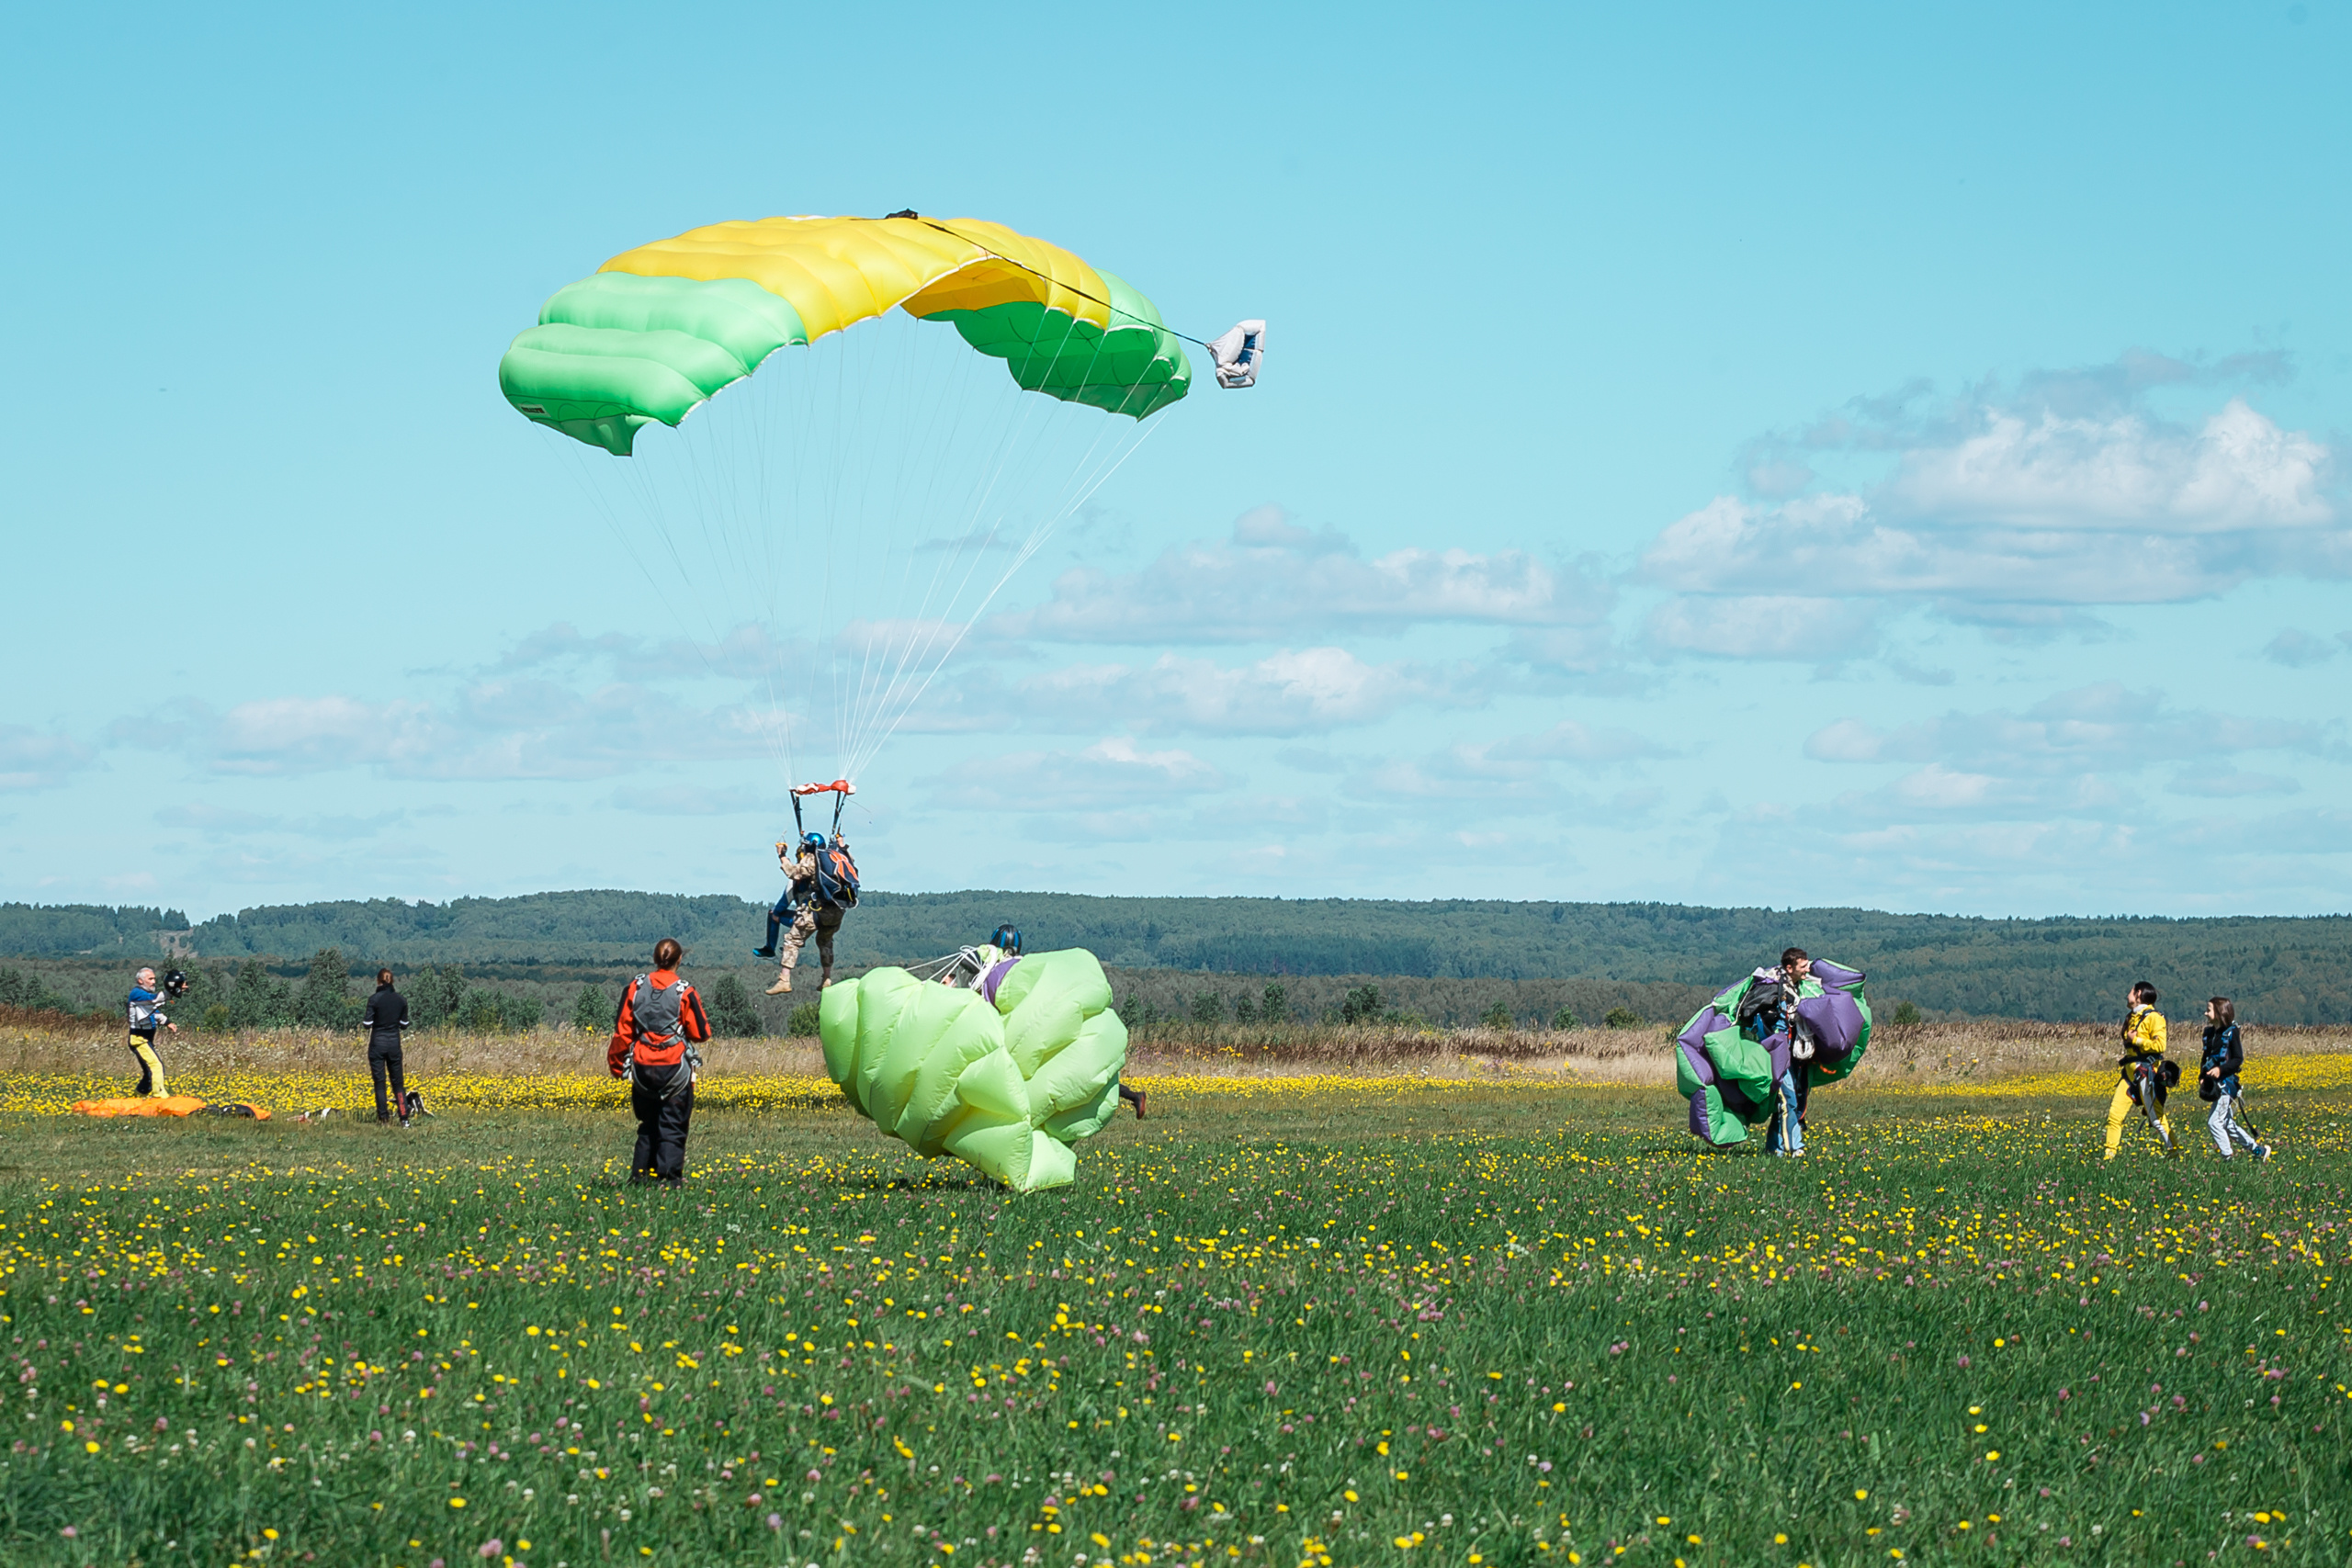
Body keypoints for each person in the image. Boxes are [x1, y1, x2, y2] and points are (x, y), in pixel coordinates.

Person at [607, 939, 712, 1186]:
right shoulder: (685, 992)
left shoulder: (635, 987)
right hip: (674, 1069)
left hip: (642, 1068)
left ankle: (640, 1177)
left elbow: (622, 1032)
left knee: (648, 1125)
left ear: (655, 959)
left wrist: (617, 1066)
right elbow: (701, 1033)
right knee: (673, 1125)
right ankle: (668, 1180)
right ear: (680, 960)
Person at [1738, 947, 1811, 1157]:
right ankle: (1794, 1148)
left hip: (1790, 1055)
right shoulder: (1774, 990)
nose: (1808, 969)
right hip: (1776, 1055)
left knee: (1785, 1101)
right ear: (1790, 968)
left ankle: (1774, 1150)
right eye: (1803, 966)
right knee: (1788, 1100)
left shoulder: (1796, 987)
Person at [766, 831, 851, 995]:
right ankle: (827, 979)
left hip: (818, 910)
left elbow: (793, 872)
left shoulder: (813, 858)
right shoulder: (838, 857)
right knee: (825, 941)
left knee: (792, 940)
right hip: (837, 912)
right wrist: (841, 844)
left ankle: (784, 980)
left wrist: (782, 856)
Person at [2105, 979, 2177, 1159]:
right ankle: (2109, 1155)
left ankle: (2175, 1152)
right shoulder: (2132, 1017)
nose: (2127, 995)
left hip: (2145, 1073)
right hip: (2129, 1075)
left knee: (2156, 1117)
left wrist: (2136, 1040)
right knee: (2114, 1115)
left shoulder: (2154, 1018)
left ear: (2138, 994)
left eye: (2131, 992)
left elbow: (2160, 1045)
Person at [2198, 996, 2272, 1161]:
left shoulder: (2231, 1032)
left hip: (2226, 1085)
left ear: (2219, 1013)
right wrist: (2202, 1077)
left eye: (2208, 1010)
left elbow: (2238, 1059)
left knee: (2214, 1122)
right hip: (2213, 1083)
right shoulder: (2209, 1034)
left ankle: (2227, 1157)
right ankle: (2258, 1151)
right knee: (2227, 1125)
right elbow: (2205, 1058)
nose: (2205, 1013)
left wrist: (2221, 1069)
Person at [361, 968, 412, 1127]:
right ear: (392, 981)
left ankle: (384, 1118)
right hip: (394, 1044)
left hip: (377, 1044)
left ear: (378, 981)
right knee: (398, 1083)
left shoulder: (374, 1000)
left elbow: (367, 1024)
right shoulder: (401, 1000)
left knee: (380, 1083)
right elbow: (404, 1025)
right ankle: (404, 1118)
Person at [124, 966, 178, 1098]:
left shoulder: (143, 998)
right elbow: (154, 1000)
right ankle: (159, 1097)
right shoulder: (137, 993)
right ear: (140, 981)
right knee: (156, 1066)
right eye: (150, 979)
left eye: (154, 979)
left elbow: (153, 1012)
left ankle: (137, 1098)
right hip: (139, 1039)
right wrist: (172, 990)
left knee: (149, 1074)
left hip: (145, 1039)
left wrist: (167, 1022)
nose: (154, 982)